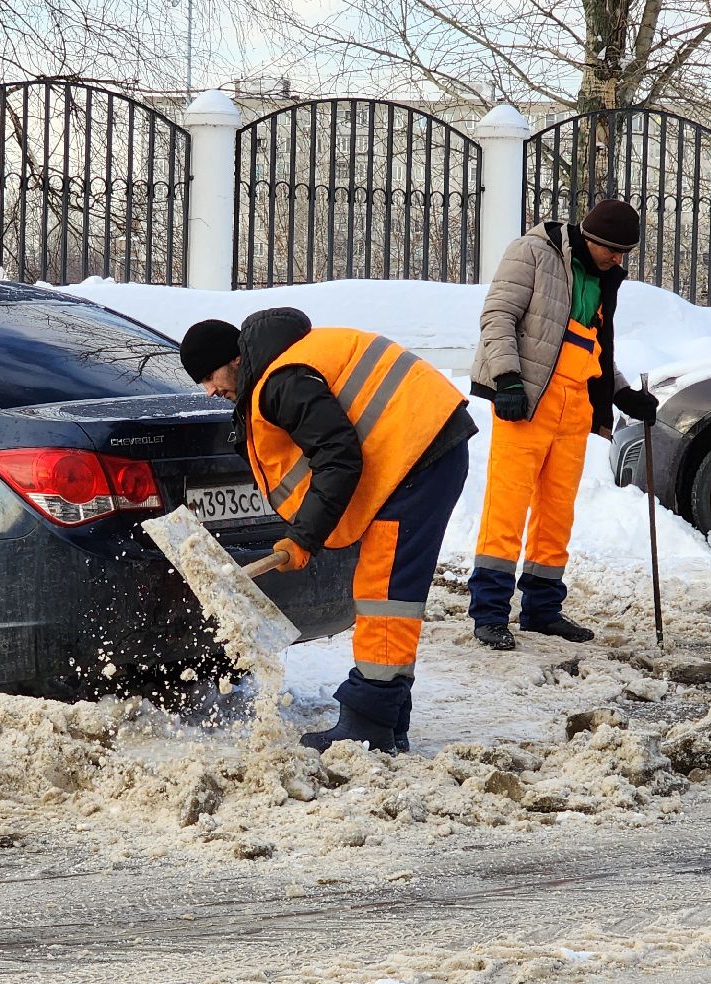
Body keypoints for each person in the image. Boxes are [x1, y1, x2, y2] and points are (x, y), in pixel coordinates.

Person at [181, 308, 477, 754]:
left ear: (237, 360)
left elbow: (338, 456)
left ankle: (369, 722)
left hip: (418, 455)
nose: (210, 390)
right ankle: (388, 716)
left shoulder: (281, 381)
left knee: (385, 594)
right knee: (389, 590)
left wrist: (304, 538)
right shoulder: (283, 366)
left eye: (210, 375)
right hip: (419, 450)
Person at [467, 198, 659, 650]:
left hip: (573, 406)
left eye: (624, 253)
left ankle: (541, 609)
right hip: (528, 399)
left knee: (557, 511)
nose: (619, 259)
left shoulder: (602, 277)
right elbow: (498, 317)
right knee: (507, 508)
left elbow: (589, 346)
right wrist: (507, 379)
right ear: (591, 238)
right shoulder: (531, 253)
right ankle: (490, 612)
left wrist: (621, 393)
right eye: (613, 250)